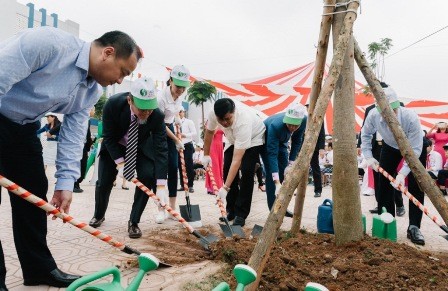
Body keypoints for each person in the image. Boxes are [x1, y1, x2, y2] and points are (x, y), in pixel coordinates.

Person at [0, 26, 141, 289]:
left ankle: (38, 268)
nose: (121, 81)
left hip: (23, 128)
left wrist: (66, 182)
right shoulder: (48, 44)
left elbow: (74, 136)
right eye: (123, 72)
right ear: (108, 53)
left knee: (33, 196)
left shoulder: (92, 91)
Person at [88, 78, 168, 238]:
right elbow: (108, 137)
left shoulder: (157, 115)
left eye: (149, 109)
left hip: (140, 147)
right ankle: (99, 214)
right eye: (142, 109)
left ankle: (134, 222)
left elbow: (161, 149)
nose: (146, 113)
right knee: (104, 181)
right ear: (130, 100)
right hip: (114, 145)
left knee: (147, 176)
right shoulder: (113, 104)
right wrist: (121, 163)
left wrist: (161, 186)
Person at [361, 85, 426, 245]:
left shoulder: (410, 117)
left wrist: (403, 174)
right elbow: (366, 134)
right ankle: (387, 219)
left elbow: (415, 150)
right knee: (383, 184)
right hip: (390, 147)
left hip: (413, 147)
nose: (393, 114)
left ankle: (414, 227)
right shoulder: (373, 114)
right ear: (380, 110)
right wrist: (368, 157)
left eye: (395, 110)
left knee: (417, 186)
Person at [202, 98, 265, 226]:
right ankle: (231, 210)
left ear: (233, 112)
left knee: (247, 171)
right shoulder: (213, 114)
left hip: (254, 137)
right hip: (232, 138)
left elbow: (237, 160)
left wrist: (225, 188)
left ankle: (241, 214)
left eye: (228, 119)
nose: (224, 123)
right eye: (221, 120)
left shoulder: (243, 121)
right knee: (227, 170)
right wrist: (206, 155)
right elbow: (209, 132)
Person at [260, 103, 307, 217]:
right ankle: (273, 210)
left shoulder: (304, 120)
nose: (292, 128)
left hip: (282, 142)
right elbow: (272, 154)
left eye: (295, 125)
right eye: (290, 124)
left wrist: (290, 163)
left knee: (284, 172)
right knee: (273, 176)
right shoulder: (276, 125)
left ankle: (282, 207)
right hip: (267, 143)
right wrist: (277, 182)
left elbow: (297, 141)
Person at [157, 65, 190, 222]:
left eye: (184, 87)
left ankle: (172, 208)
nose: (181, 90)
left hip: (170, 126)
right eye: (178, 86)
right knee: (161, 169)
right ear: (170, 81)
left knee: (173, 166)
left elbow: (176, 108)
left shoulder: (180, 95)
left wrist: (177, 117)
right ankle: (161, 208)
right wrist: (176, 139)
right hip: (157, 130)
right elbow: (160, 125)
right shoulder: (161, 97)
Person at [74, 108, 95, 193]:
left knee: (83, 166)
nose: (94, 112)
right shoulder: (79, 119)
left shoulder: (88, 121)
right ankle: (74, 184)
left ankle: (77, 183)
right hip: (77, 146)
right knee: (78, 165)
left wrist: (89, 144)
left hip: (84, 147)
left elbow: (88, 134)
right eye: (93, 110)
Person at [177, 107, 197, 193]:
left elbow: (194, 133)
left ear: (183, 113)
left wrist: (185, 135)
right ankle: (182, 184)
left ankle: (190, 185)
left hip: (187, 145)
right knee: (180, 166)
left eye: (180, 112)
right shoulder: (175, 123)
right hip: (178, 146)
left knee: (189, 165)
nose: (179, 114)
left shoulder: (189, 122)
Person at [205, 129, 224, 195]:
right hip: (212, 146)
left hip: (220, 145)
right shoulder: (211, 122)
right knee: (214, 166)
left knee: (219, 166)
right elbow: (211, 134)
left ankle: (216, 186)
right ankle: (214, 187)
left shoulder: (222, 121)